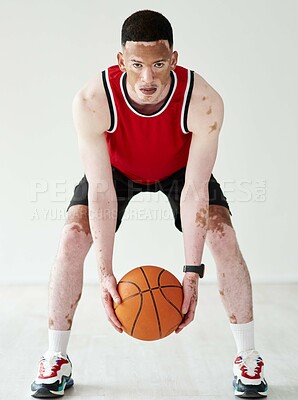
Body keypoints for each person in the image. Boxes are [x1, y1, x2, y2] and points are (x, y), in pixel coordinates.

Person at [31, 9, 268, 399]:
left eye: (158, 64)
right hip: (117, 172)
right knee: (73, 236)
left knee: (223, 236)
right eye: (137, 65)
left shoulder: (202, 99)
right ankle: (55, 358)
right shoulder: (92, 99)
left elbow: (195, 189)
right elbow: (102, 188)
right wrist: (105, 272)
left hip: (179, 170)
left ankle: (248, 358)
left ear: (174, 60)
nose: (147, 78)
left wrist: (191, 274)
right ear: (121, 60)